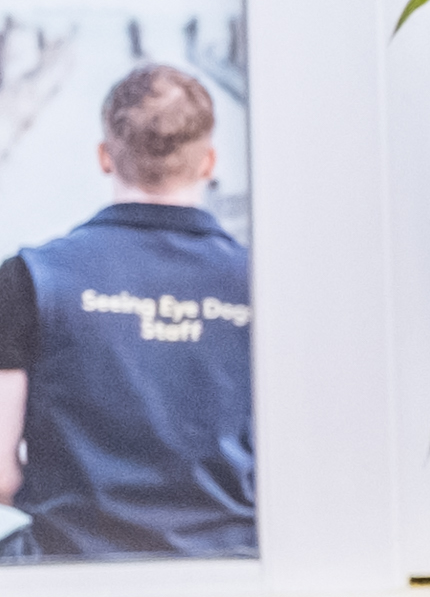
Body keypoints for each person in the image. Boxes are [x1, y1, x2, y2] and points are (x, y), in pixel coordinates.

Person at [0, 63, 256, 560]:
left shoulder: (28, 279)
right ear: (208, 162)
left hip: (71, 573)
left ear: (104, 156)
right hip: (237, 572)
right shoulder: (264, 282)